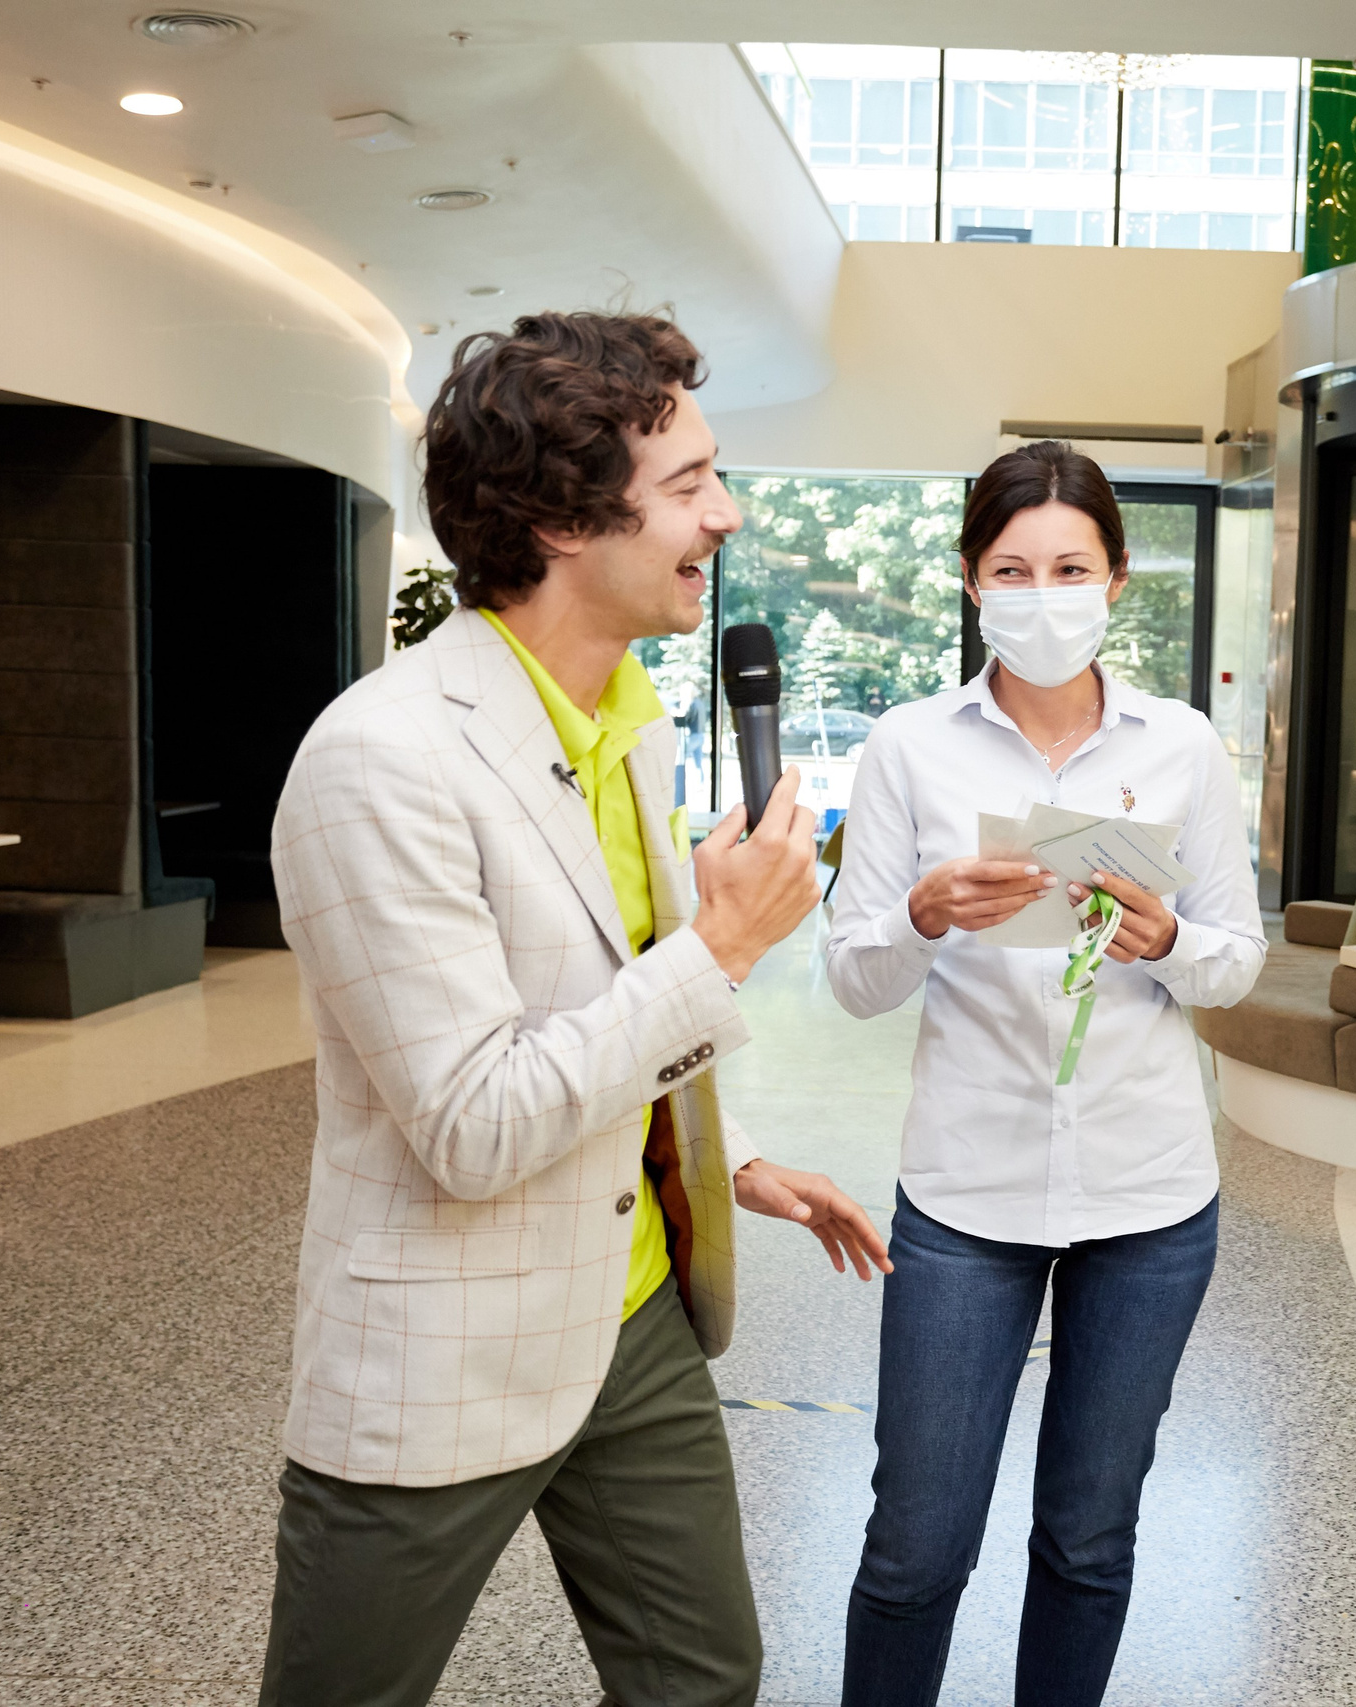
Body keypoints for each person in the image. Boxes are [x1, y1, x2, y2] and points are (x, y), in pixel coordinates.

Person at [259, 311, 891, 1707]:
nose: (722, 515)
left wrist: (726, 1162)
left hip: (637, 1309)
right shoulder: (382, 759)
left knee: (702, 1676)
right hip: (446, 1346)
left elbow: (598, 1012)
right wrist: (723, 945)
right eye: (686, 485)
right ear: (554, 516)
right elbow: (475, 1122)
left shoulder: (631, 721)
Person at [823, 441, 1266, 1707]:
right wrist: (921, 913)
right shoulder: (909, 750)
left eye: (1070, 566)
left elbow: (1236, 962)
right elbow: (854, 980)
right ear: (972, 582)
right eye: (1012, 568)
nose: (1042, 592)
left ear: (1117, 581)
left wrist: (1169, 939)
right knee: (914, 1546)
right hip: (967, 1194)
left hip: (1151, 1197)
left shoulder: (1181, 748)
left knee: (1089, 1539)